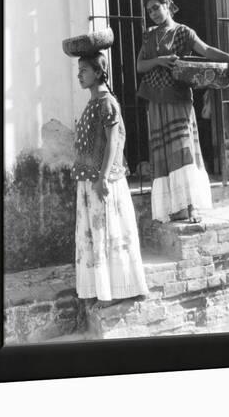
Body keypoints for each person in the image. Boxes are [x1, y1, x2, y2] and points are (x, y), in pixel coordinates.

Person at [137, 0, 229, 223]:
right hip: (156, 101)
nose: (152, 13)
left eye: (156, 7)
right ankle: (174, 208)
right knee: (163, 152)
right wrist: (160, 60)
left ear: (168, 6)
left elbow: (205, 50)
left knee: (183, 150)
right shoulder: (148, 35)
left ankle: (191, 206)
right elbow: (140, 66)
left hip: (178, 97)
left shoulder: (183, 32)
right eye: (149, 10)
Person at [71, 51, 149, 305]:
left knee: (108, 233)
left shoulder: (107, 102)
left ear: (98, 72)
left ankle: (116, 291)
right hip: (89, 179)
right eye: (79, 70)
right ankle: (101, 288)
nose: (79, 75)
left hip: (103, 181)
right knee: (94, 235)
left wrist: (103, 177)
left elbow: (114, 141)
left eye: (84, 70)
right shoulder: (94, 102)